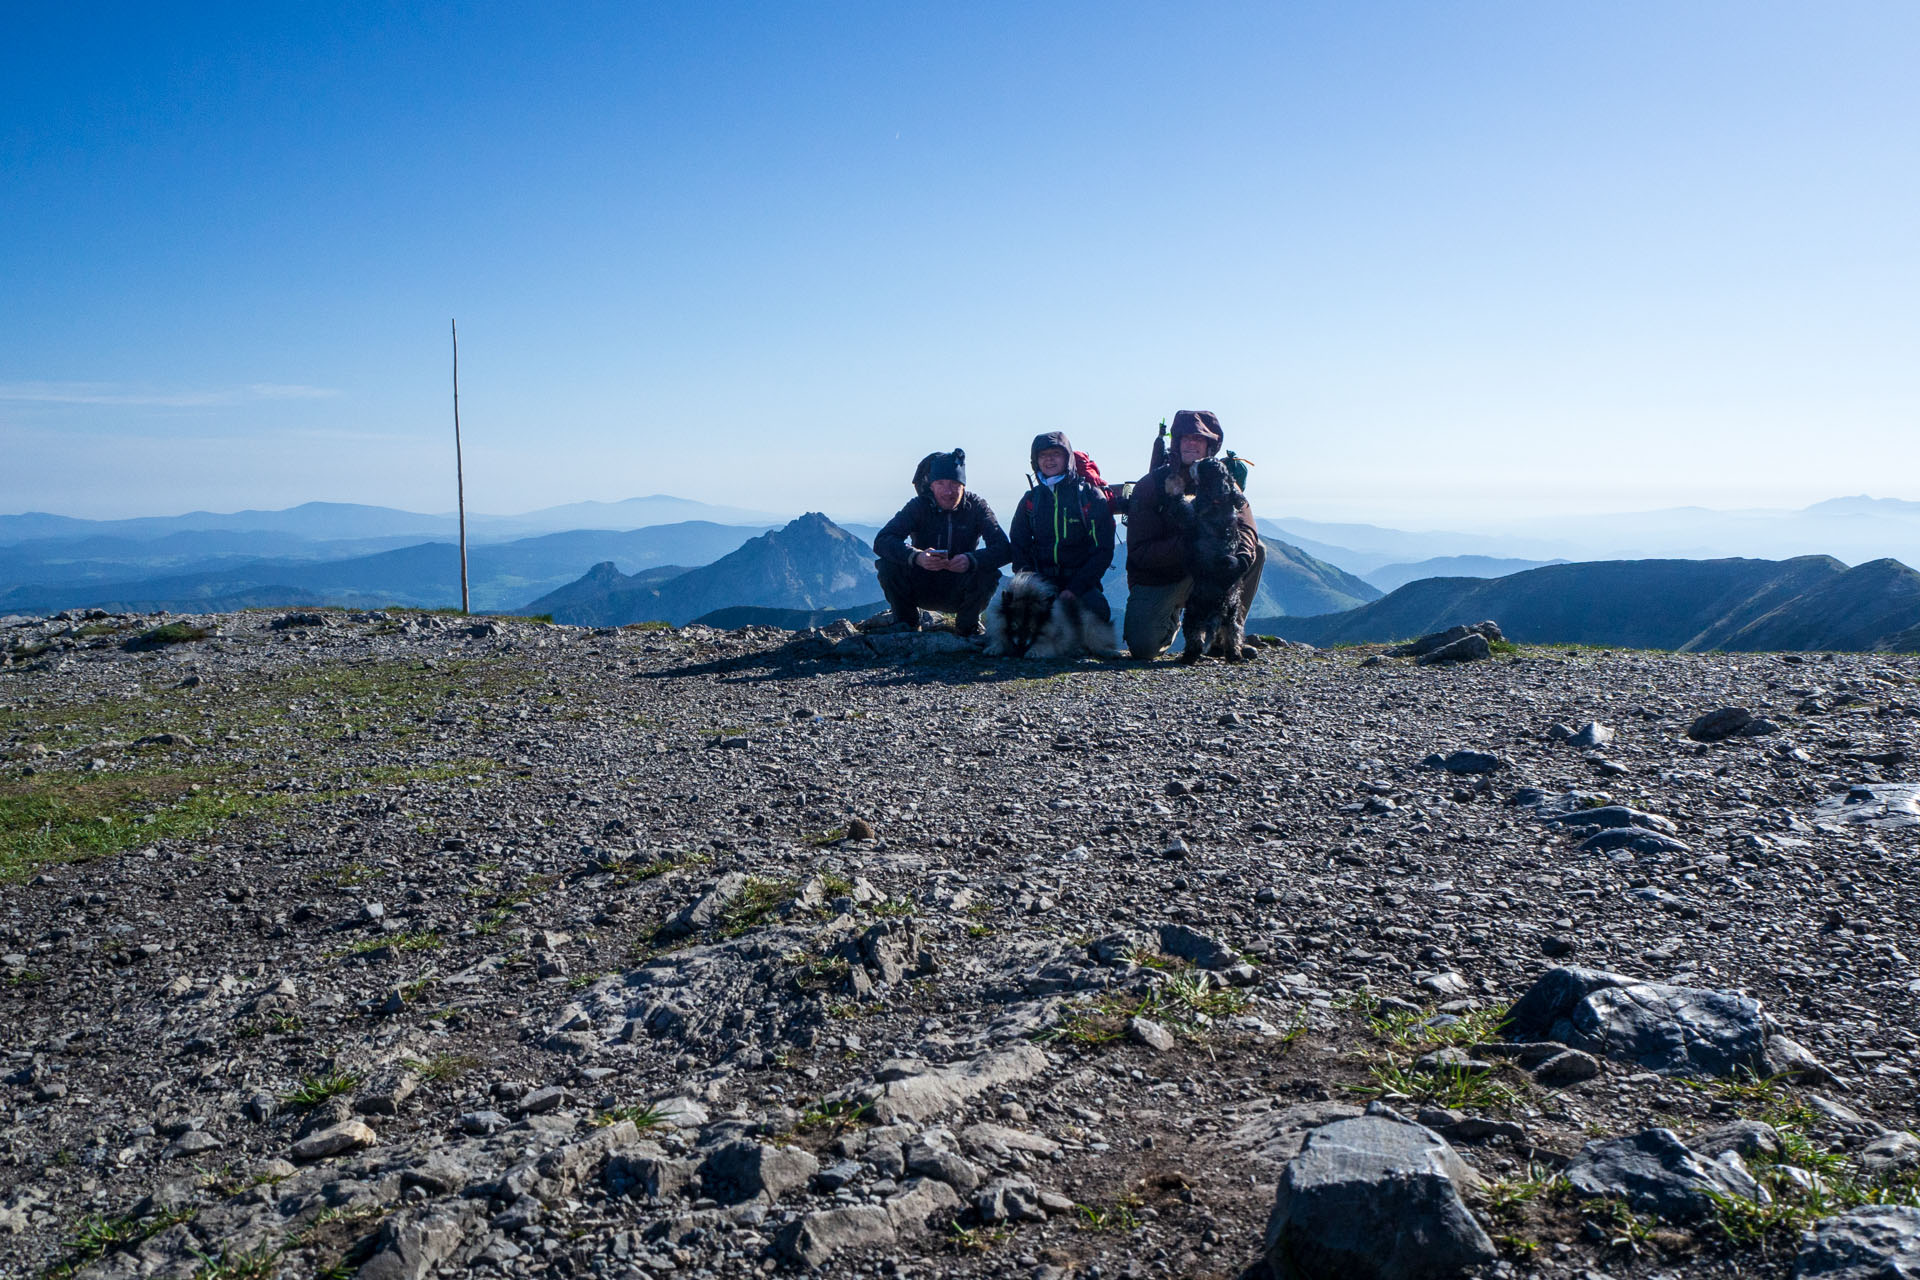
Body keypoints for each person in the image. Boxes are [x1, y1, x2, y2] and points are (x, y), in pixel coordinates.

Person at [1122, 410, 1266, 659]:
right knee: (1143, 648)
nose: (1191, 443)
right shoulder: (1151, 486)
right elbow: (1139, 552)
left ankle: (1226, 638)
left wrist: (1239, 560)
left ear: (1210, 446)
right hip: (1163, 578)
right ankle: (1174, 620)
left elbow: (1246, 527)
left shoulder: (1223, 481)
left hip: (1212, 574)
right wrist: (1192, 545)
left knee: (1257, 550)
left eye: (1198, 439)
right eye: (1185, 438)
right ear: (1175, 443)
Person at [872, 448, 1012, 635]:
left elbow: (1004, 548)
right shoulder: (918, 506)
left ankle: (967, 626)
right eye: (941, 484)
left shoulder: (976, 507)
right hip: (922, 584)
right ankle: (906, 623)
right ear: (931, 485)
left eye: (955, 484)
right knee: (888, 566)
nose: (948, 491)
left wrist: (971, 560)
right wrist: (917, 556)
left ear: (964, 486)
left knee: (988, 573)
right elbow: (882, 541)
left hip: (959, 588)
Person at [1007, 431, 1116, 622]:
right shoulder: (1031, 500)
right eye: (1043, 455)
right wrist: (1029, 580)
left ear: (1068, 458)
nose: (1049, 460)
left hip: (1079, 581)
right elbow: (1018, 544)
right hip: (1039, 580)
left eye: (1055, 454)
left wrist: (1075, 589)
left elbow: (1103, 550)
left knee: (1097, 613)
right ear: (1035, 461)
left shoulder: (1089, 497)